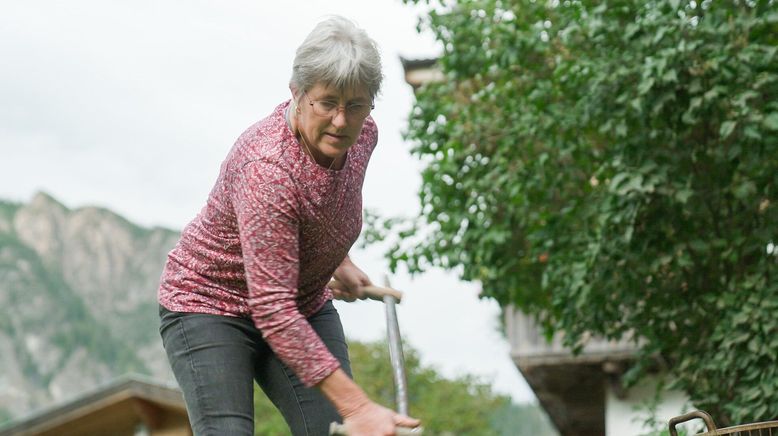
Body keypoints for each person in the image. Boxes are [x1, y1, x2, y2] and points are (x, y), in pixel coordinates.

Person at [157, 15, 421, 436]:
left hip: (299, 302)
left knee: (333, 431)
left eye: (355, 104)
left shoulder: (363, 135)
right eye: (327, 102)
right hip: (211, 304)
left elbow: (328, 199)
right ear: (297, 93)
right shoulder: (267, 170)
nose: (340, 120)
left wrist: (339, 259)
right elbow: (272, 309)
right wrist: (359, 406)